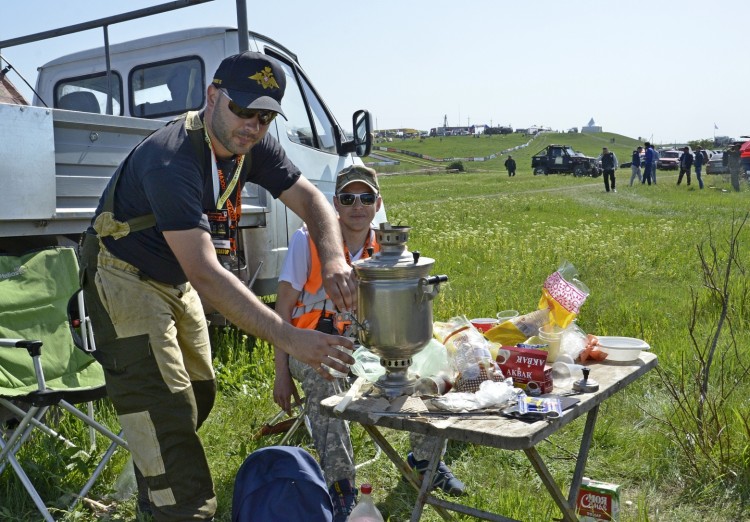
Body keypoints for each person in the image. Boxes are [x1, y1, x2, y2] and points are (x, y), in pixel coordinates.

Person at [79, 51, 357, 522]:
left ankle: (154, 487)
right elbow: (207, 273)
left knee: (199, 393)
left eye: (266, 116)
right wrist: (289, 338)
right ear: (213, 96)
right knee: (164, 410)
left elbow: (312, 199)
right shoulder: (171, 159)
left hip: (176, 276)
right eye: (242, 109)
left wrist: (332, 257)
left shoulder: (251, 143)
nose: (252, 124)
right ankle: (180, 508)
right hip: (125, 276)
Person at [273, 166, 466, 521]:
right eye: (348, 198)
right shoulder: (308, 240)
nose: (357, 206)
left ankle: (424, 463)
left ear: (378, 203)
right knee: (325, 374)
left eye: (365, 198)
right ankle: (342, 486)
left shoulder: (390, 249)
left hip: (367, 345)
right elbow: (282, 309)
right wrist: (281, 373)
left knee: (431, 365)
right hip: (313, 342)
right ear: (334, 204)